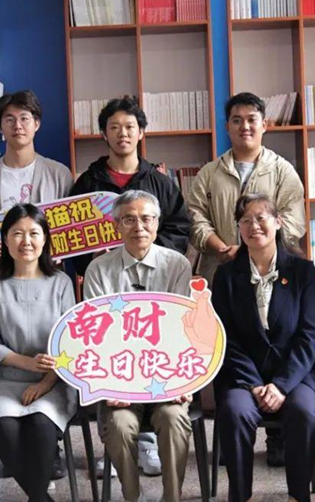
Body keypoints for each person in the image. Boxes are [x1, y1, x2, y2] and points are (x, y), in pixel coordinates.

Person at [187, 91, 305, 465]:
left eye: (252, 119)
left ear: (264, 124)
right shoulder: (210, 173)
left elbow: (295, 220)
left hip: (272, 273)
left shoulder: (282, 171)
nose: (245, 126)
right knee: (228, 349)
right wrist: (222, 247)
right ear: (227, 126)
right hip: (223, 276)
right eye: (237, 120)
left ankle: (278, 437)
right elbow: (195, 218)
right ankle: (232, 434)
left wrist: (259, 247)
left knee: (273, 345)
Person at [84, 190, 193, 502]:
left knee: (173, 418)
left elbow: (183, 331)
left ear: (157, 223)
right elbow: (96, 338)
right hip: (119, 380)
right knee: (119, 425)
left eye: (146, 218)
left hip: (167, 377)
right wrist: (111, 385)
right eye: (129, 220)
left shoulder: (177, 265)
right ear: (116, 225)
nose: (139, 227)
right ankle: (132, 496)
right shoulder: (98, 270)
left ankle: (172, 497)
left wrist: (182, 382)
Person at [212, 193, 315, 502]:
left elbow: (308, 336)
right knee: (235, 412)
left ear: (278, 222)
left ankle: (298, 495)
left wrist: (281, 385)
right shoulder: (226, 275)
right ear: (238, 228)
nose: (254, 226)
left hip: (294, 373)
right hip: (243, 375)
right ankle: (241, 496)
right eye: (245, 220)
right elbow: (224, 336)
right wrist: (255, 384)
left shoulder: (302, 271)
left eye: (261, 218)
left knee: (303, 411)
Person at [0, 204, 77, 501]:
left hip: (55, 383)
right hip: (6, 380)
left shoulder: (60, 282)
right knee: (5, 429)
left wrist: (44, 382)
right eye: (17, 234)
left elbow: (70, 343)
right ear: (5, 240)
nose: (26, 241)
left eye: (34, 233)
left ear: (45, 238)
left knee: (41, 426)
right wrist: (28, 364)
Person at [70, 95, 191, 279]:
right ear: (104, 134)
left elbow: (179, 229)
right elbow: (73, 236)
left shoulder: (160, 182)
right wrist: (92, 259)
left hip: (154, 275)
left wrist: (147, 252)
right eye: (114, 127)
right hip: (106, 277)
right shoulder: (87, 183)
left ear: (141, 132)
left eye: (129, 127)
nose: (123, 133)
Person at [0, 90, 73, 276]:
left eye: (24, 118)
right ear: (0, 127)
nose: (17, 126)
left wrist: (62, 247)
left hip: (49, 276)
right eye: (9, 120)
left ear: (36, 124)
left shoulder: (59, 174)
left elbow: (72, 225)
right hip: (0, 277)